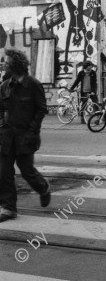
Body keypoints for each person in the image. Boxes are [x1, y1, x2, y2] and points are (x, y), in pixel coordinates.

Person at [0, 49, 50, 222]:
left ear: (15, 64)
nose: (3, 64)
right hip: (6, 137)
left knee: (27, 171)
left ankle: (43, 188)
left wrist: (32, 130)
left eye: (5, 62)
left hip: (25, 137)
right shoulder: (4, 86)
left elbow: (41, 109)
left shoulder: (33, 84)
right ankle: (8, 208)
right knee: (3, 173)